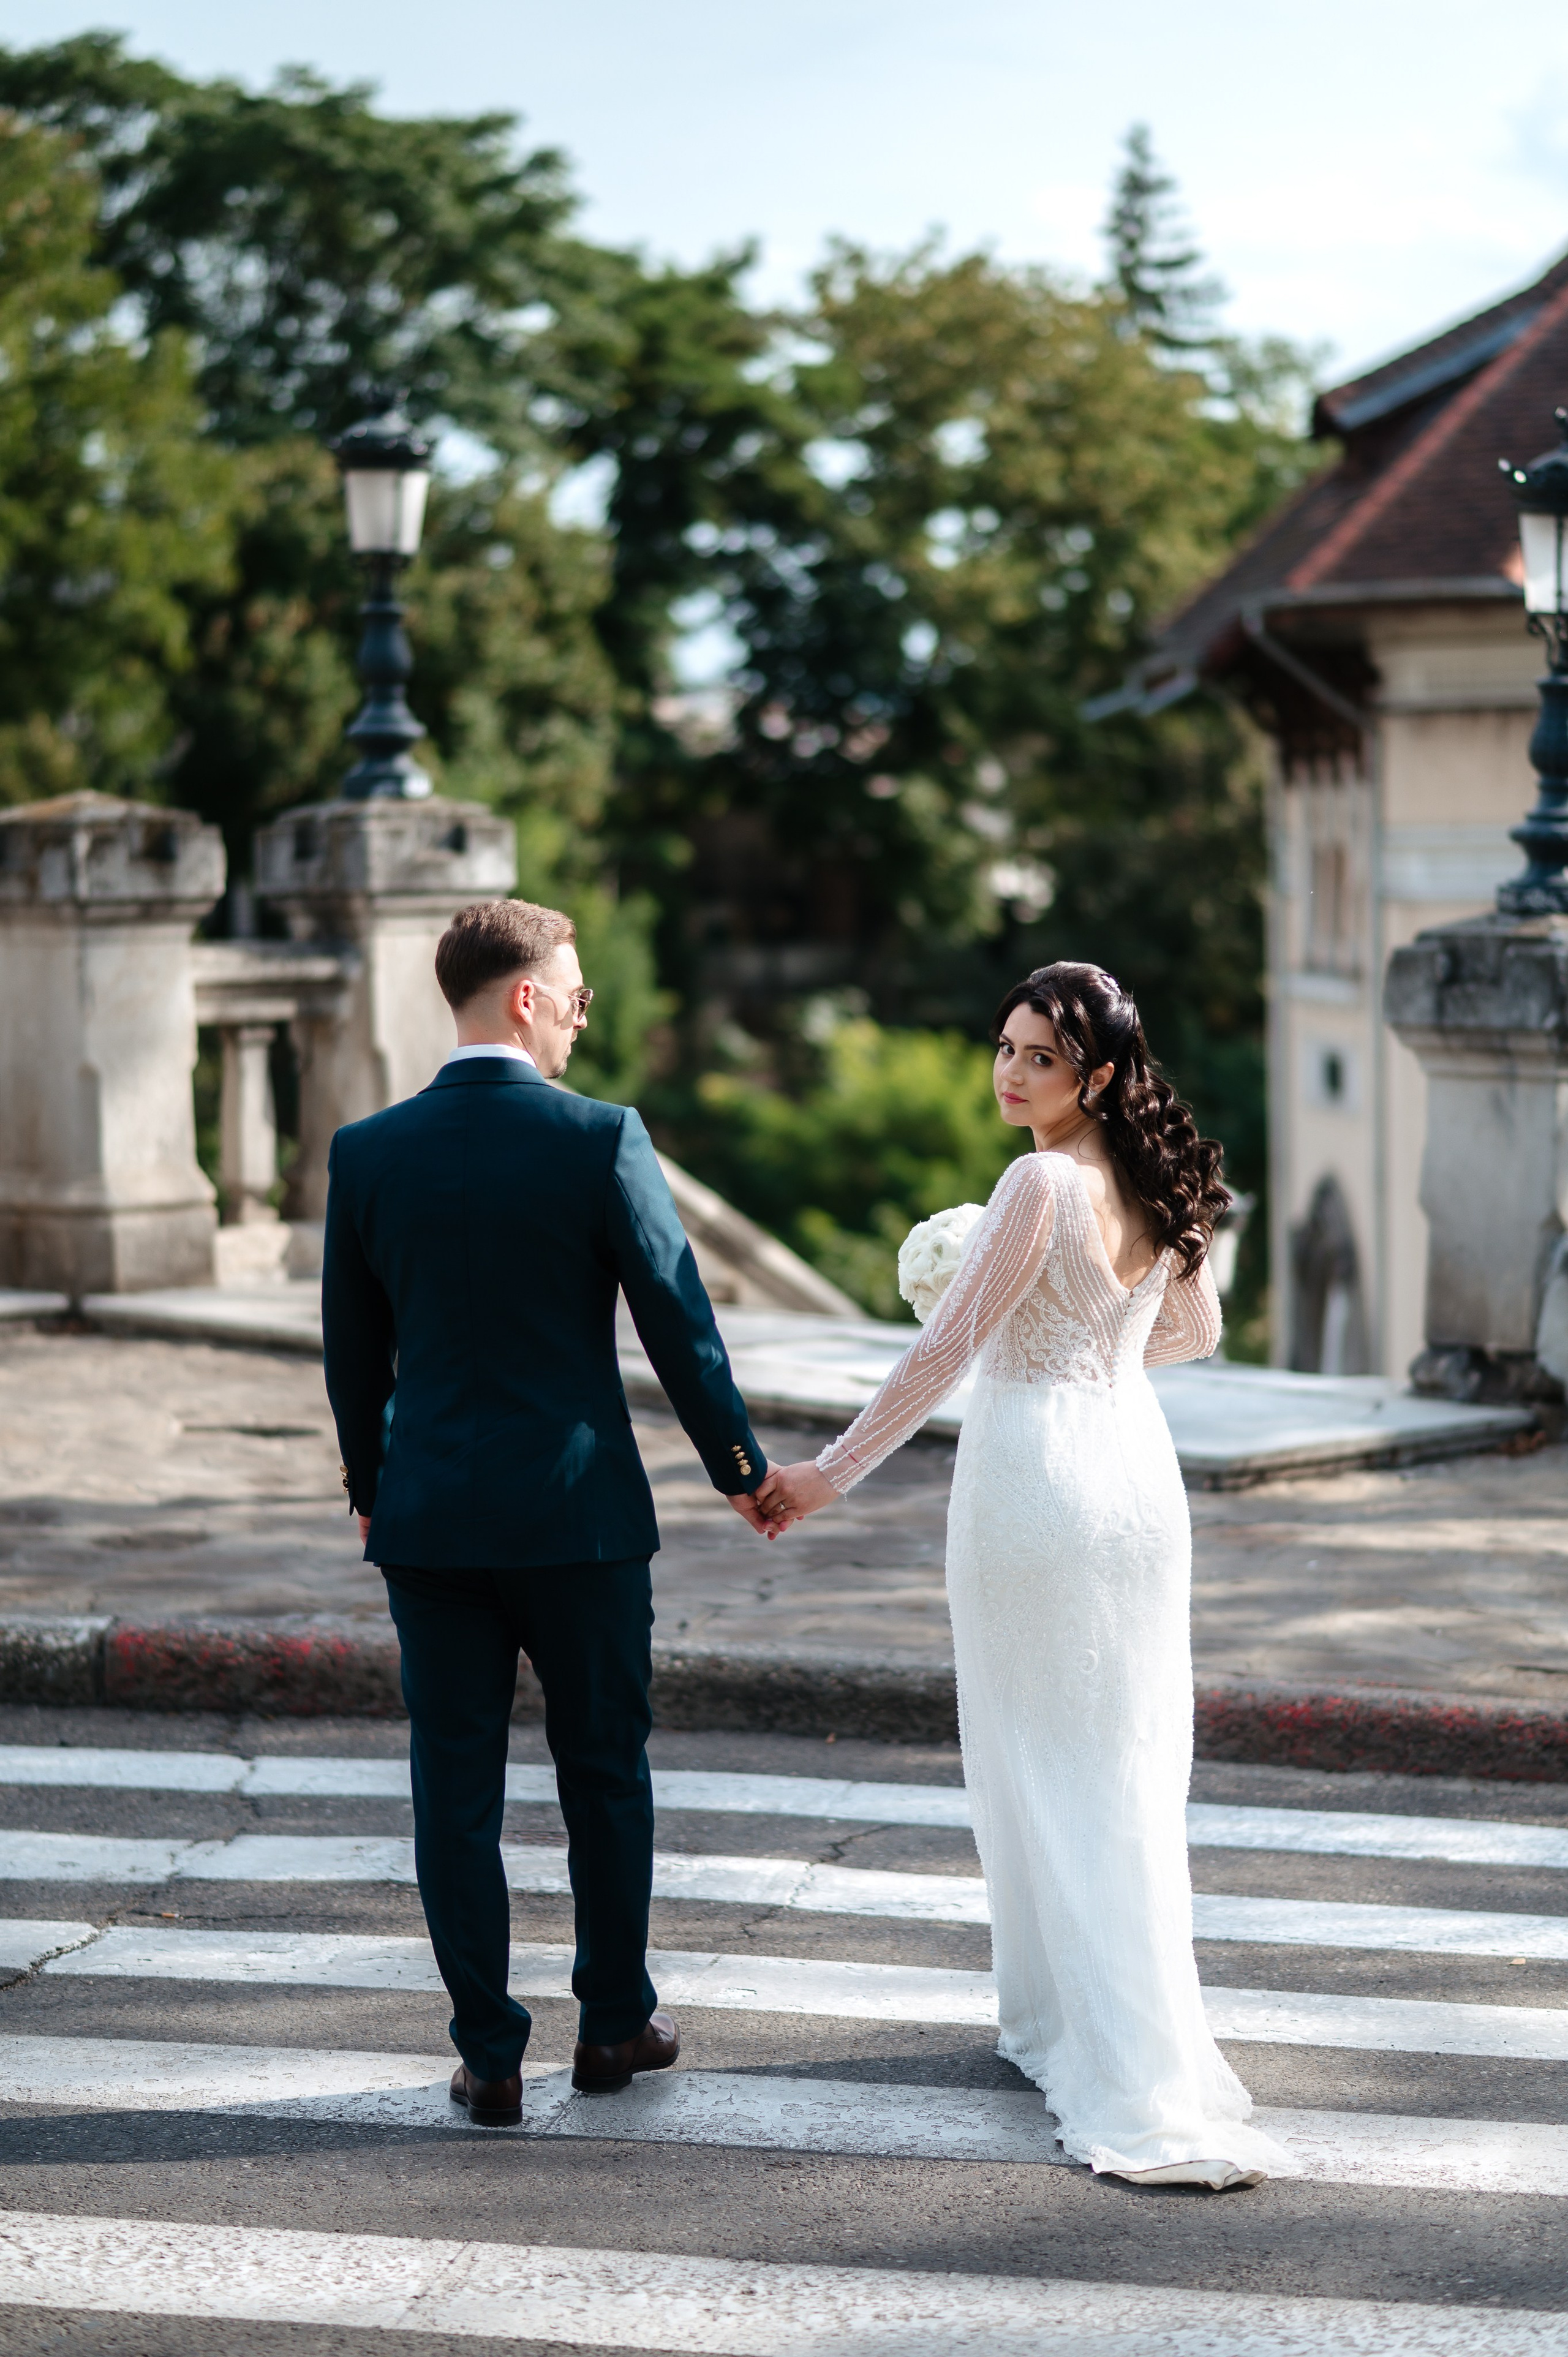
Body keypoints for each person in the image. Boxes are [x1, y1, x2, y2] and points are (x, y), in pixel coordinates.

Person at [755, 962, 1283, 2190]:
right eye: (1001, 1048)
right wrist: (1089, 1339)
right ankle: (1087, 2027)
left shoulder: (1039, 1179)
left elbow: (945, 1352)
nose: (1007, 1072)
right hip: (1131, 1470)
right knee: (1121, 1755)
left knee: (1041, 1752)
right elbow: (1192, 1333)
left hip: (1037, 1473)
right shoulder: (1151, 1179)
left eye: (1036, 1057)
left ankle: (1094, 2048)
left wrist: (829, 1473)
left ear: (1091, 1075)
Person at [322, 899, 777, 2126]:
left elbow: (352, 1361)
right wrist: (741, 1468)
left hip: (429, 1525)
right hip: (578, 1522)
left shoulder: (366, 1153)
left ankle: (489, 2054)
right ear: (522, 996)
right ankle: (614, 2022)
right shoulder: (599, 1138)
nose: (585, 1006)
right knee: (603, 1775)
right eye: (571, 986)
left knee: (451, 1790)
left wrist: (374, 1496)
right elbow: (679, 1323)